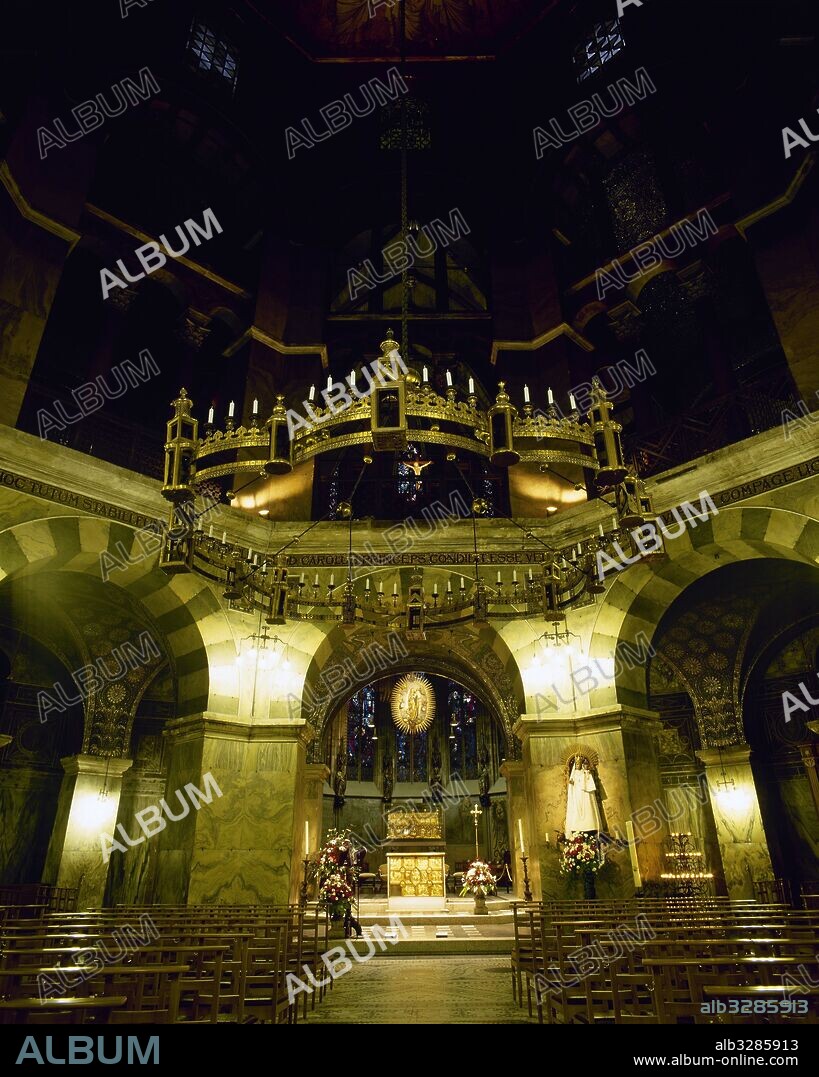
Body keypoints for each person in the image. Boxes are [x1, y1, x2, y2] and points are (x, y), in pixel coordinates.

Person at [564, 754, 603, 834]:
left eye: (579, 764)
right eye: (577, 764)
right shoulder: (573, 774)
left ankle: (589, 824)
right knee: (577, 809)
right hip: (577, 794)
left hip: (585, 794)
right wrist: (571, 783)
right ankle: (578, 825)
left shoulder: (585, 772)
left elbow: (590, 783)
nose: (578, 765)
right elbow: (571, 785)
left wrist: (587, 773)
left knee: (588, 808)